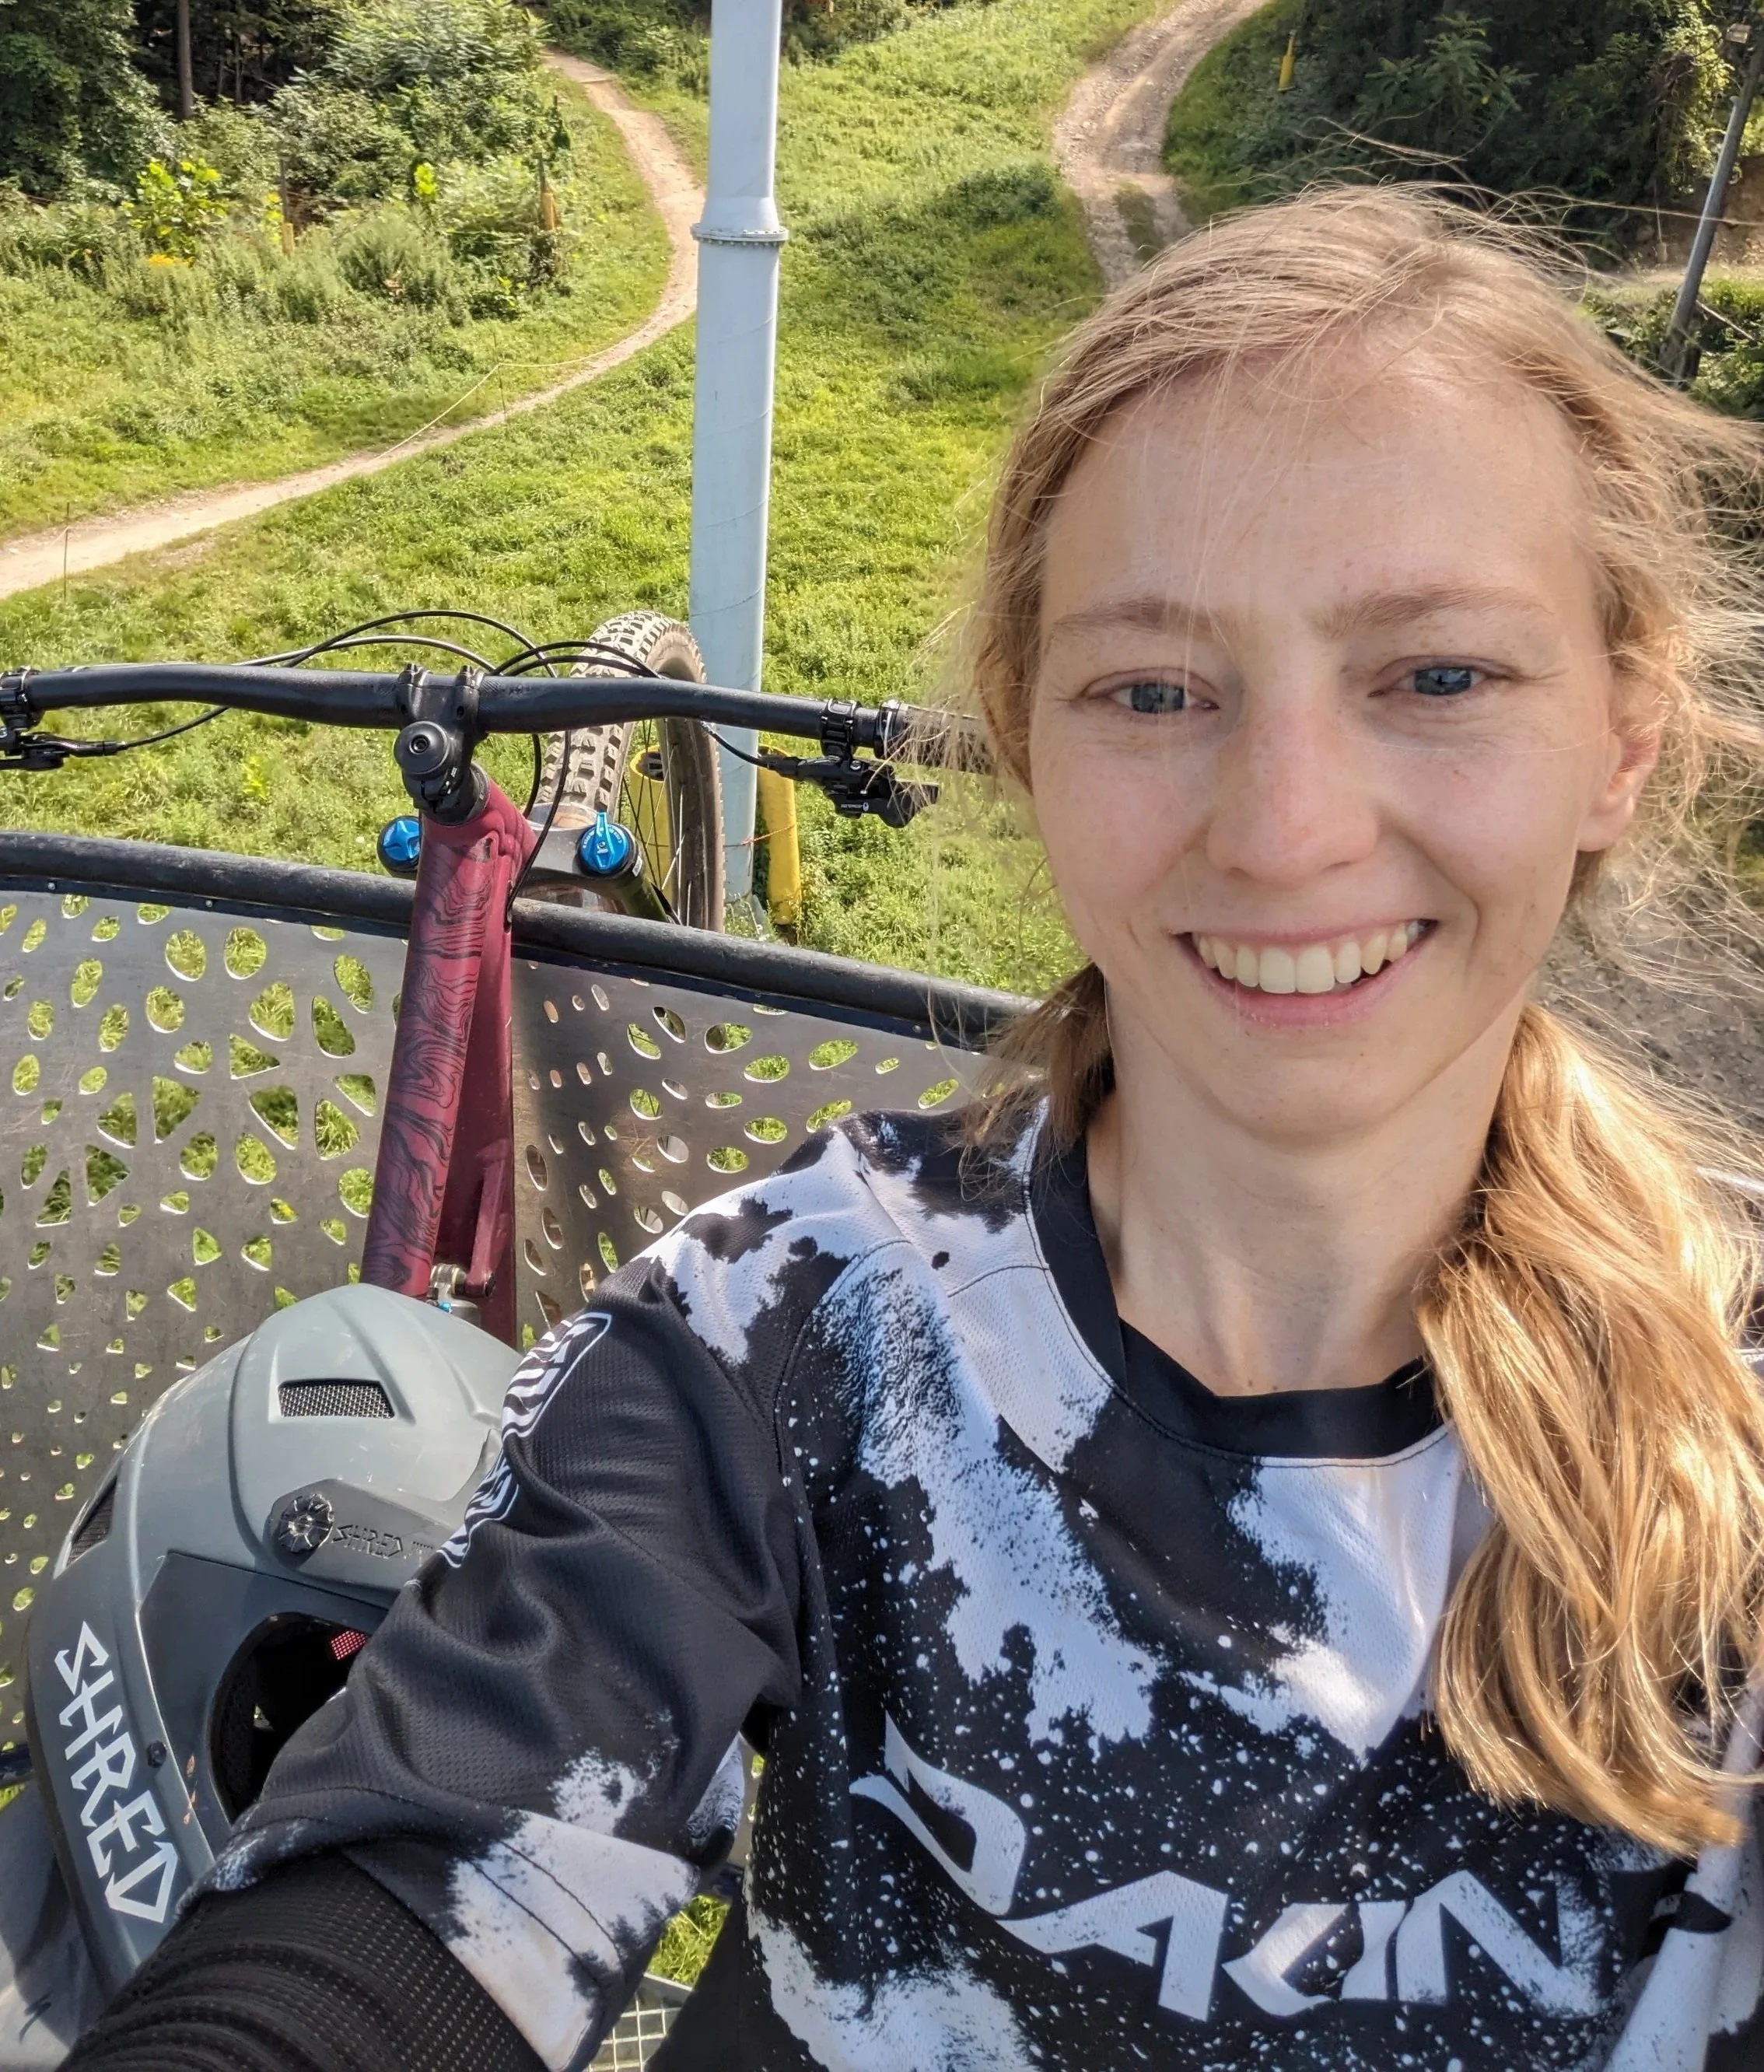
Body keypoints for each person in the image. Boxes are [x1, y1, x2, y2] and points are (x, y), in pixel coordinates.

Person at [63, 185, 1764, 2072]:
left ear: (1625, 735)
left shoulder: (1738, 1459)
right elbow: (419, 1900)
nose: (1288, 828)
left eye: (1437, 677)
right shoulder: (796, 1325)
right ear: (1026, 739)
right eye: (1154, 690)